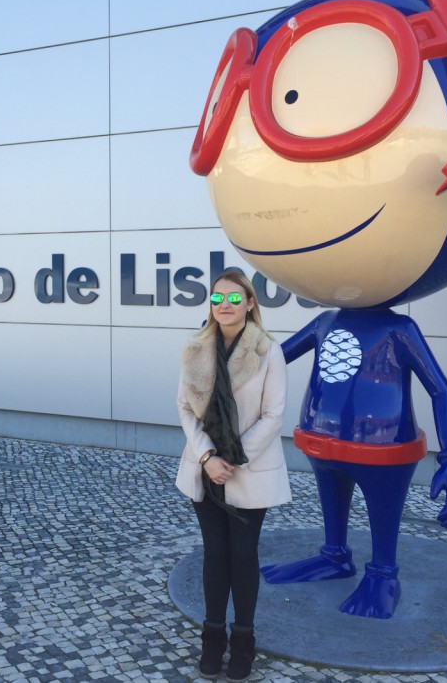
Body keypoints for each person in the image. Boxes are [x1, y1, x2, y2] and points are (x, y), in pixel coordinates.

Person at [176, 270, 291, 681]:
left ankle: (243, 640)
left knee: (243, 556)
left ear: (250, 303)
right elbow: (186, 409)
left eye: (233, 298)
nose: (224, 305)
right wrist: (208, 457)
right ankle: (212, 637)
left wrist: (233, 459)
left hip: (249, 468)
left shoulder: (267, 351)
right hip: (205, 467)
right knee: (214, 553)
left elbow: (273, 416)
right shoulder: (196, 348)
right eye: (216, 298)